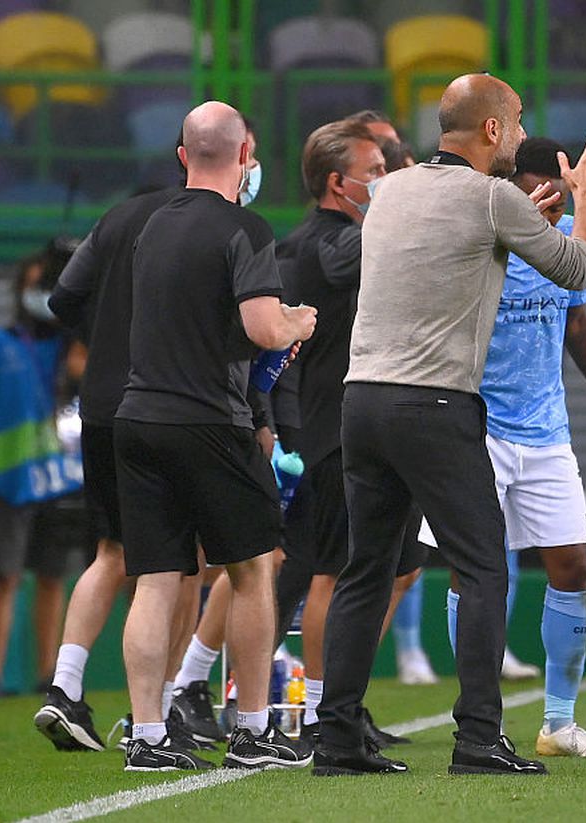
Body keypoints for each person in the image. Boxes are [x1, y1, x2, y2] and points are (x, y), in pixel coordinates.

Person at [312, 73, 586, 777]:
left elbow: (448, 248)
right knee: (484, 566)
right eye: (516, 121)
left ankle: (336, 739)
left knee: (367, 569)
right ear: (491, 129)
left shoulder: (390, 190)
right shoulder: (492, 196)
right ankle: (480, 737)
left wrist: (518, 217)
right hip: (435, 404)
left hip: (362, 400)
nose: (521, 134)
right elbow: (576, 271)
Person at [37, 128, 266, 753]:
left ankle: (66, 685)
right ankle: (162, 711)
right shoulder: (215, 227)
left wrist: (105, 337)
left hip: (104, 405)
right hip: (175, 402)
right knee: (180, 565)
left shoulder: (119, 218)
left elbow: (62, 298)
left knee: (114, 553)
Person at [113, 100, 316, 772]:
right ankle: (253, 731)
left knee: (155, 580)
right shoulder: (244, 227)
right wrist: (296, 323)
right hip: (209, 421)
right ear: (245, 154)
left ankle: (147, 736)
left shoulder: (151, 225)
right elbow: (263, 328)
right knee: (252, 570)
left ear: (182, 156)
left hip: (139, 417)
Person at [428, 136, 586, 757]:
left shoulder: (564, 240)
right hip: (477, 426)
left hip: (546, 430)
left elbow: (575, 321)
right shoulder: (479, 236)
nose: (549, 203)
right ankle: (479, 721)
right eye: (537, 192)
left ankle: (559, 724)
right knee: (475, 571)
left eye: (559, 194)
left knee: (574, 565)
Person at [268, 118, 429, 745]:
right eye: (376, 172)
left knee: (399, 567)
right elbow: (341, 268)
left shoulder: (346, 236)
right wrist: (410, 198)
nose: (385, 181)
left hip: (370, 421)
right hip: (332, 426)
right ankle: (319, 713)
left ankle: (343, 699)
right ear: (339, 183)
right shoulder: (316, 243)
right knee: (333, 572)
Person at [0, 246, 83, 699]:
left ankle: (49, 674)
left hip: (61, 481)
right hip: (10, 482)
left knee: (52, 578)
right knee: (4, 577)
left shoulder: (74, 348)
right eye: (33, 286)